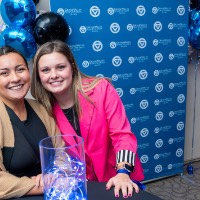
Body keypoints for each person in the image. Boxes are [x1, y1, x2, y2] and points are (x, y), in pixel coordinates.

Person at [31, 40, 144, 198]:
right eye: (45, 70)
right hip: (82, 183)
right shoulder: (44, 108)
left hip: (117, 175)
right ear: (38, 76)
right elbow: (57, 152)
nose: (54, 75)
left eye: (60, 67)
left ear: (72, 67)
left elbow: (122, 135)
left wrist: (123, 172)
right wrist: (51, 173)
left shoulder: (101, 88)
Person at [0, 46, 59, 199]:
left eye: (20, 69)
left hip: (55, 191)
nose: (15, 78)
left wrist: (53, 174)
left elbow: (62, 151)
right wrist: (37, 185)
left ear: (29, 72)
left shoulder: (41, 108)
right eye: (4, 73)